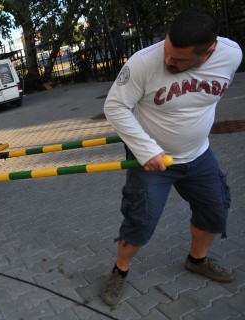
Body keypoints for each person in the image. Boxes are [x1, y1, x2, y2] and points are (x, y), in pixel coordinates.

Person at [100, 7, 242, 306]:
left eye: (178, 60)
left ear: (209, 51)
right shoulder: (143, 63)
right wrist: (145, 148)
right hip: (153, 160)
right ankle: (120, 270)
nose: (168, 61)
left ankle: (197, 259)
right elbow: (114, 107)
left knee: (215, 211)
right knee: (141, 221)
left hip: (199, 155)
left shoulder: (231, 56)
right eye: (167, 51)